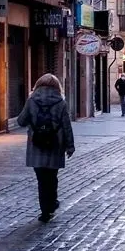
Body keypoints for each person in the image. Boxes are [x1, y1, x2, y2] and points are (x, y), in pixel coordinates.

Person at [16, 74, 75, 223]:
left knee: (41, 180)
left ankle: (45, 211)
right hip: (55, 145)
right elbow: (66, 125)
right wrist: (70, 146)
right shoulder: (61, 102)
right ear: (57, 87)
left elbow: (21, 121)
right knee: (52, 177)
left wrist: (32, 119)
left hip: (37, 145)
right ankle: (52, 203)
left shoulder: (31, 100)